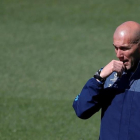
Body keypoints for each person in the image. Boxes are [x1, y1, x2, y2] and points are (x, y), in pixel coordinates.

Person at [73, 21, 140, 140]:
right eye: (116, 47)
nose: (119, 54)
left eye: (124, 48)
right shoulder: (108, 76)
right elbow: (81, 110)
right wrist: (99, 78)